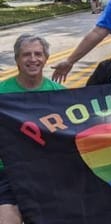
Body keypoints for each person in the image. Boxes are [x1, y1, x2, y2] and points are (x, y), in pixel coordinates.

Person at [0, 34, 66, 224]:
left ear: (46, 58)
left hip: (47, 174)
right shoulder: (2, 93)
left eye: (38, 54)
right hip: (8, 173)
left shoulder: (60, 95)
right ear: (17, 59)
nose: (33, 59)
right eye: (26, 54)